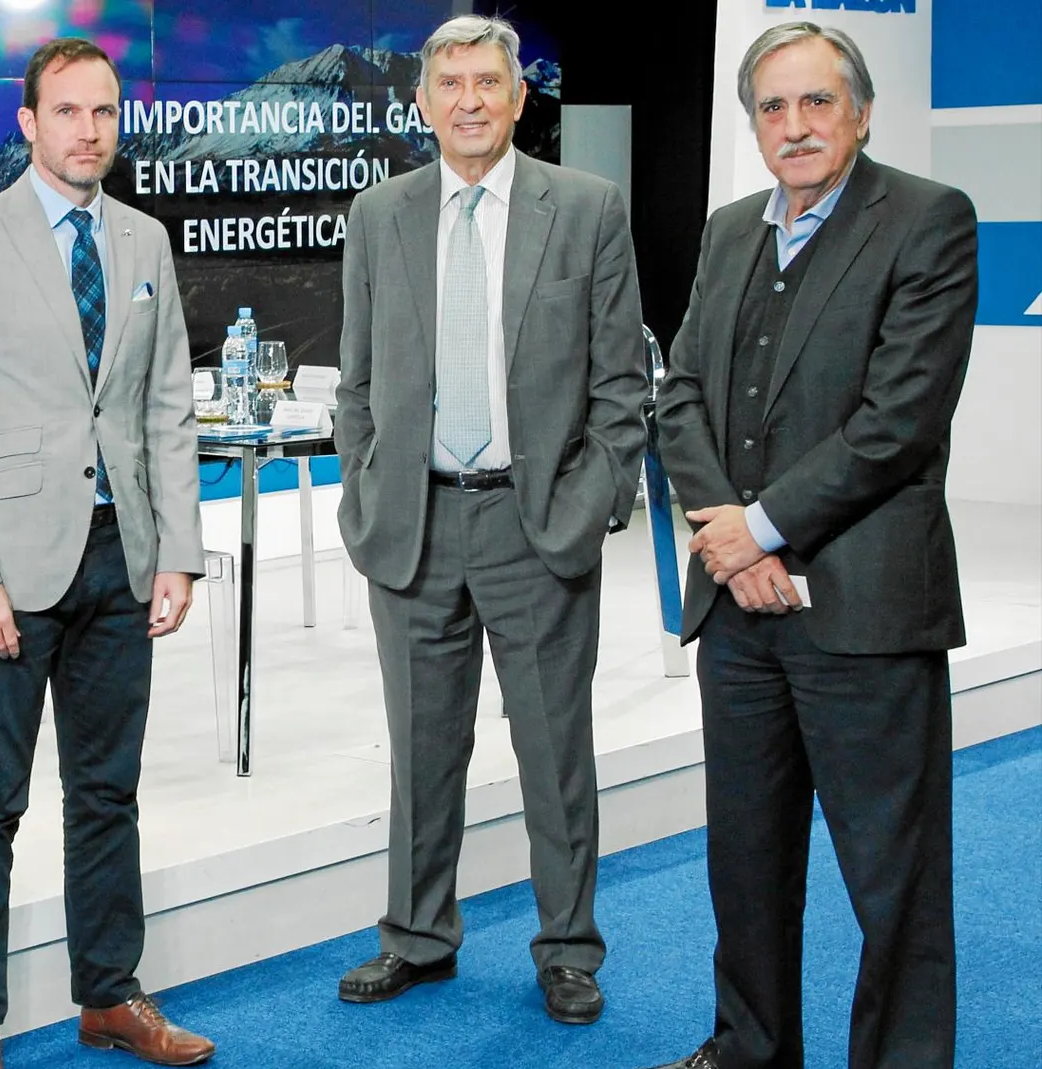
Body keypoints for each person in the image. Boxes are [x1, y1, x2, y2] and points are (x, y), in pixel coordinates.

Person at [644, 23, 977, 1069]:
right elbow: (681, 393)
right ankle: (749, 1049)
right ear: (751, 125)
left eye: (815, 102)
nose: (793, 126)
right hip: (739, 613)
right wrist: (733, 543)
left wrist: (765, 524)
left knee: (893, 875)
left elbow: (898, 421)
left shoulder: (927, 220)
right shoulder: (732, 228)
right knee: (744, 858)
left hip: (865, 608)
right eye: (771, 108)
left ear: (860, 111)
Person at [334, 13, 647, 1024]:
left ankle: (567, 948)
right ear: (420, 103)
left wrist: (588, 499)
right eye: (449, 83)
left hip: (535, 520)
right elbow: (356, 381)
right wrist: (365, 487)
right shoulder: (379, 215)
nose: (467, 98)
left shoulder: (587, 208)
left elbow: (621, 384)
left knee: (555, 749)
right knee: (421, 749)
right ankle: (418, 938)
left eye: (487, 81)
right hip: (413, 526)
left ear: (519, 98)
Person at [0, 36, 214, 1069]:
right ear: (28, 123)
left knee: (106, 793)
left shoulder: (142, 242)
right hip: (10, 569)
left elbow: (166, 405)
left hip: (117, 560)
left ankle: (108, 995)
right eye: (69, 112)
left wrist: (176, 551)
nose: (90, 131)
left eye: (105, 112)